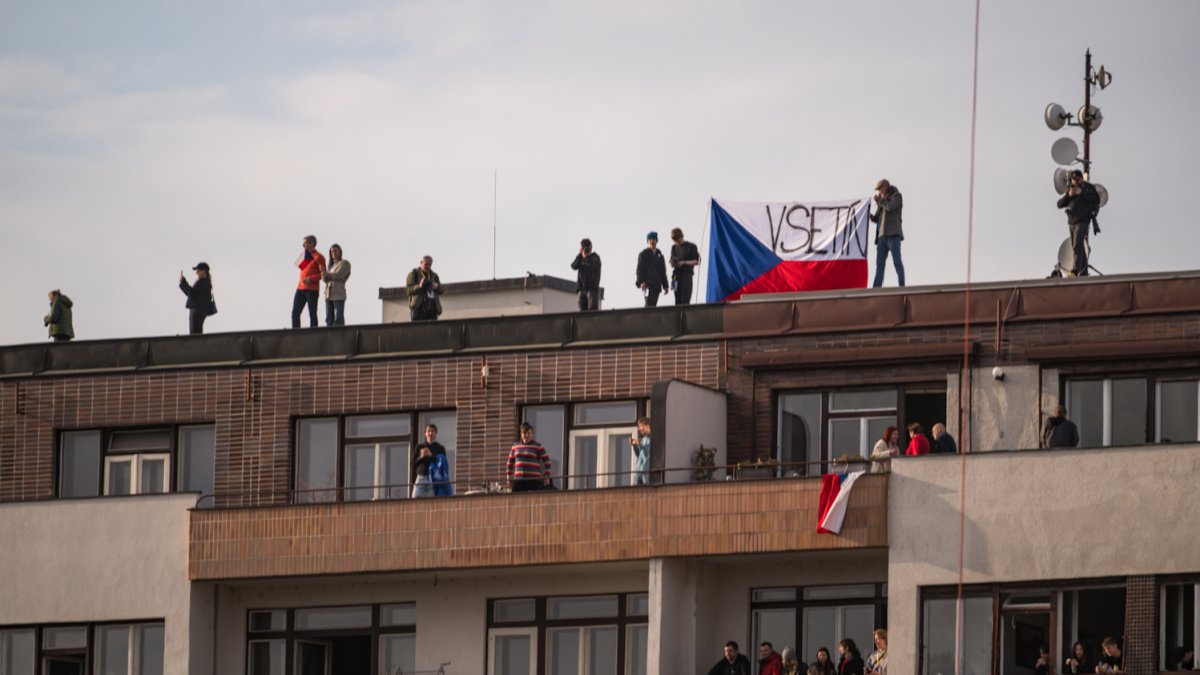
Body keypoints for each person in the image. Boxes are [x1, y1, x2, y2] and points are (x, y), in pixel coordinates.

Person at [1057, 169, 1101, 277]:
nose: (1075, 182)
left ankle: (1075, 270)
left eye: (1077, 179)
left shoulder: (1088, 188)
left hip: (1083, 221)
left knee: (1077, 245)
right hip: (1072, 222)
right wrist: (1069, 195)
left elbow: (1096, 200)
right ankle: (1084, 272)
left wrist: (1082, 193)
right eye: (1073, 180)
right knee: (1078, 247)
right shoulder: (1070, 189)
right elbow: (1059, 204)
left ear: (1081, 178)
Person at [870, 179, 904, 288]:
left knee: (897, 262)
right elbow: (876, 218)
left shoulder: (897, 196)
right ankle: (876, 288)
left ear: (885, 187)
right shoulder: (883, 201)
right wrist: (868, 214)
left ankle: (902, 287)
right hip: (881, 237)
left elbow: (890, 207)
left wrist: (880, 201)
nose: (879, 191)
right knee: (879, 265)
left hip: (893, 234)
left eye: (880, 189)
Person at [506, 422, 552, 492]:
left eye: (529, 433)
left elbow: (547, 461)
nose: (527, 435)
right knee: (516, 500)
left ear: (532, 434)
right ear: (521, 434)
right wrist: (509, 476)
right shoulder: (515, 446)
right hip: (518, 479)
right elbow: (509, 462)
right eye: (525, 433)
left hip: (534, 480)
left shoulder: (538, 446)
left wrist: (547, 475)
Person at [292, 235, 326, 328]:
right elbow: (303, 270)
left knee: (312, 314)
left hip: (312, 290)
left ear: (312, 243)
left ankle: (314, 333)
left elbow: (323, 274)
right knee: (295, 312)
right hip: (300, 288)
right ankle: (295, 334)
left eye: (305, 243)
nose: (303, 245)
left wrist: (310, 279)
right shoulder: (304, 255)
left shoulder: (319, 257)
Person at [178, 262, 215, 335]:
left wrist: (183, 281)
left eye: (198, 270)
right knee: (195, 333)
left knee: (195, 334)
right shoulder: (205, 282)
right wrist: (182, 283)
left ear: (204, 271)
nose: (196, 272)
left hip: (197, 311)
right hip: (198, 311)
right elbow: (190, 294)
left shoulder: (204, 282)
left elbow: (191, 293)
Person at [635, 231, 669, 307]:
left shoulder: (660, 255)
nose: (652, 241)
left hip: (657, 284)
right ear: (647, 241)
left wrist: (665, 285)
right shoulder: (643, 254)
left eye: (653, 239)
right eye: (650, 239)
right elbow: (639, 269)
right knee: (649, 304)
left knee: (653, 304)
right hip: (647, 284)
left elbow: (663, 272)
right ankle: (645, 318)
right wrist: (641, 282)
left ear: (656, 240)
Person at [411, 423, 446, 498]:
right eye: (428, 431)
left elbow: (442, 464)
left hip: (433, 478)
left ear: (435, 433)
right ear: (425, 433)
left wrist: (431, 455)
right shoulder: (419, 446)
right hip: (421, 477)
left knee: (432, 502)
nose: (430, 433)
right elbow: (412, 464)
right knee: (414, 498)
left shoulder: (440, 448)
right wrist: (421, 457)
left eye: (433, 431)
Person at [669, 227, 701, 305]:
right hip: (675, 276)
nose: (677, 242)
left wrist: (685, 262)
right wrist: (671, 263)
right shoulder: (673, 247)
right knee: (676, 299)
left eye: (678, 240)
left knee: (685, 299)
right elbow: (671, 261)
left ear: (682, 237)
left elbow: (698, 261)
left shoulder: (691, 246)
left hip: (686, 275)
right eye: (675, 241)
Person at [405, 255, 443, 321]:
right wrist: (419, 286)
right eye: (426, 264)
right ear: (421, 262)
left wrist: (436, 287)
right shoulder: (413, 274)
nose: (428, 267)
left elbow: (441, 291)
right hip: (418, 308)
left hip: (432, 309)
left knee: (433, 329)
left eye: (430, 265)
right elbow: (408, 290)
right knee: (418, 329)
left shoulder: (434, 275)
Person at [322, 244, 351, 326]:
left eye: (335, 251)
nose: (333, 253)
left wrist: (327, 275)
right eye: (332, 251)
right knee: (329, 318)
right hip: (329, 294)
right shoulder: (330, 266)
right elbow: (326, 280)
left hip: (338, 293)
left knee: (338, 318)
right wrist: (323, 275)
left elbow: (338, 275)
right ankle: (329, 335)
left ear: (340, 252)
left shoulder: (345, 263)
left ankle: (339, 335)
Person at [571, 238, 602, 311]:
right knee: (582, 314)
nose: (586, 250)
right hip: (581, 290)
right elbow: (573, 266)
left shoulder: (595, 258)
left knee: (592, 312)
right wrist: (580, 255)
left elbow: (592, 266)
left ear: (591, 248)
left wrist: (586, 257)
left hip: (592, 290)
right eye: (584, 248)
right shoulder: (580, 258)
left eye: (587, 248)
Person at [630, 416, 651, 485]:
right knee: (636, 492)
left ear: (647, 425)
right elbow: (638, 455)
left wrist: (639, 444)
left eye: (641, 426)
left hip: (645, 470)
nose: (639, 429)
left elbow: (649, 451)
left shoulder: (652, 438)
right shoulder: (643, 439)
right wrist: (634, 445)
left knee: (647, 490)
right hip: (638, 470)